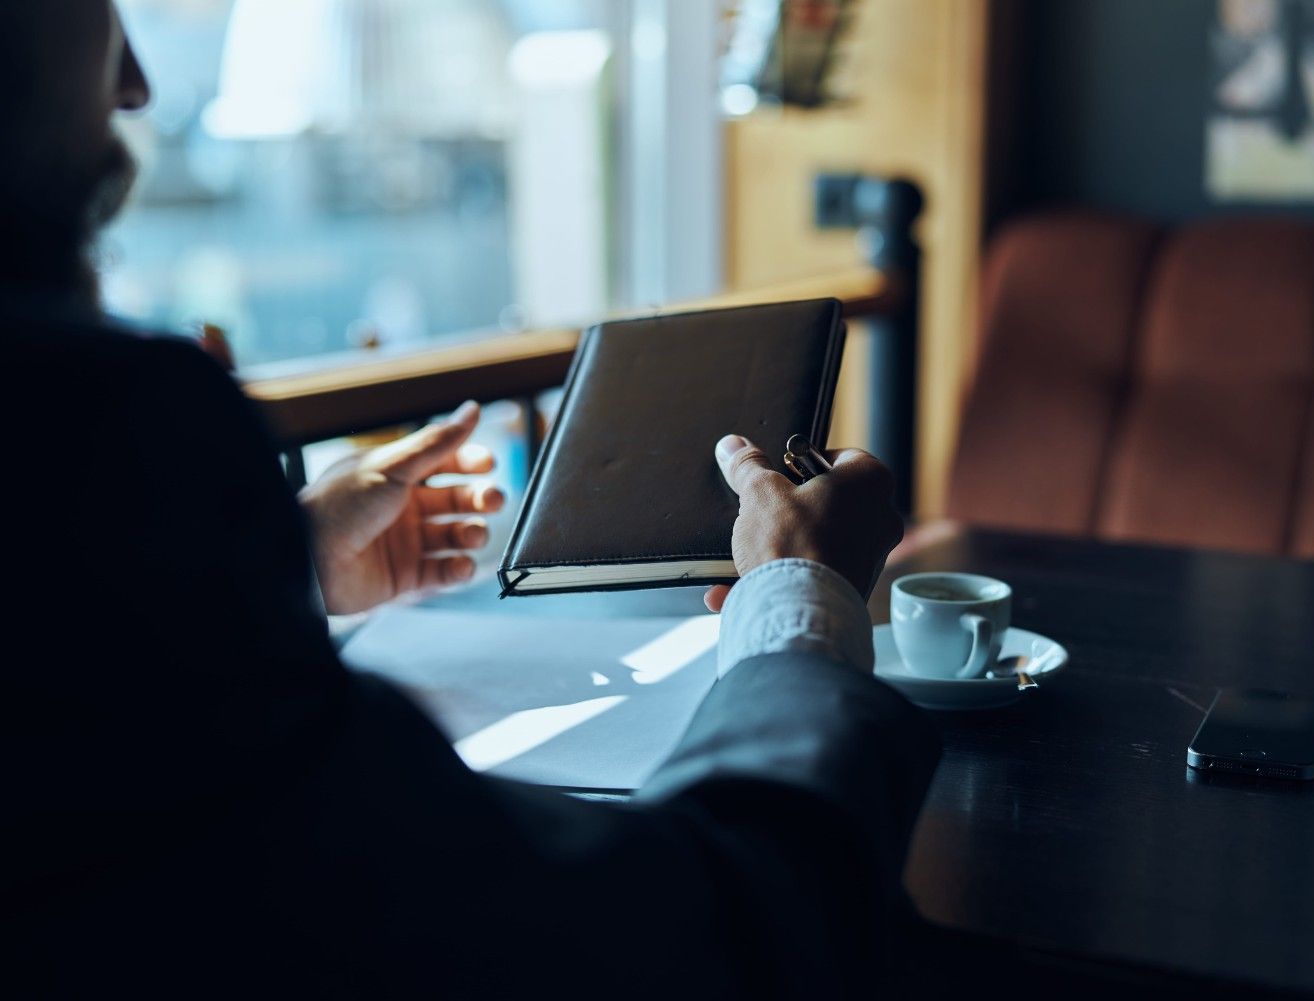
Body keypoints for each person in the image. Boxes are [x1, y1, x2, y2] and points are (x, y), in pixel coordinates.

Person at [2, 2, 937, 997]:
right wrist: (804, 595)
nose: (136, 80)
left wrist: (290, 570)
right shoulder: (103, 428)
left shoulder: (85, 487)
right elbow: (705, 934)